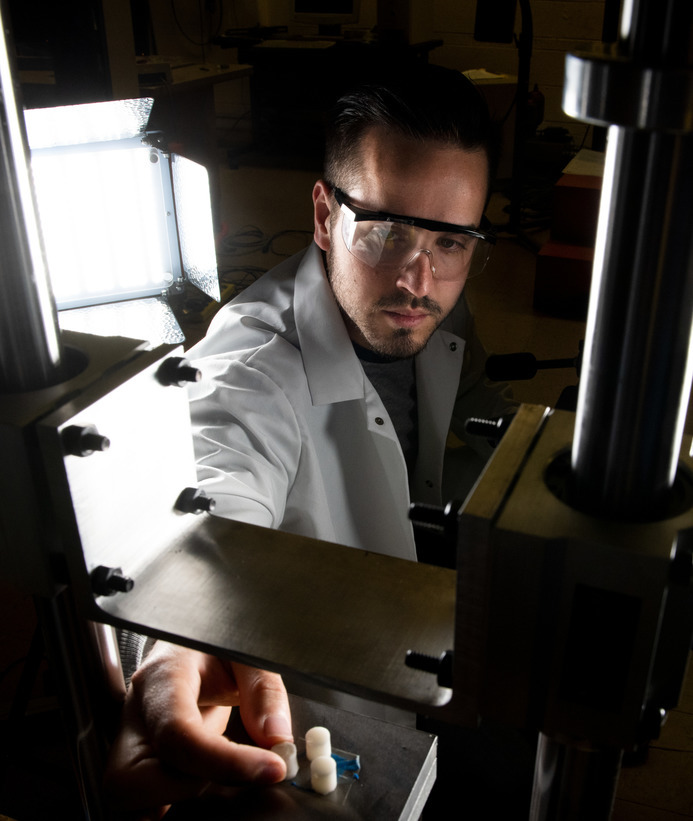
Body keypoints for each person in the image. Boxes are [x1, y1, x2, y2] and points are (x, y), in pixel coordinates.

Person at [105, 63, 518, 818]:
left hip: (432, 649)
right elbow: (199, 520)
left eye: (450, 241)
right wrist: (170, 652)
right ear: (324, 216)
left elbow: (475, 393)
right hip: (326, 717)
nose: (416, 279)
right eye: (387, 230)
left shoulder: (436, 310)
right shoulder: (252, 366)